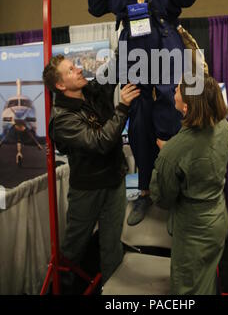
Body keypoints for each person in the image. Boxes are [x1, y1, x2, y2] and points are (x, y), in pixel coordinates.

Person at [87, 0, 199, 225]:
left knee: (168, 114)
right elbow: (97, 7)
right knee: (138, 120)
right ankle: (146, 191)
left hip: (163, 44)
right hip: (134, 50)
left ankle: (174, 192)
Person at [42, 54, 140, 291]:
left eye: (74, 66)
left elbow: (115, 66)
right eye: (70, 70)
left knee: (111, 244)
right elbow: (100, 142)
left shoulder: (92, 90)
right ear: (60, 85)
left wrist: (131, 30)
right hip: (87, 189)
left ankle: (111, 290)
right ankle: (63, 285)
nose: (78, 69)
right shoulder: (62, 119)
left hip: (114, 180)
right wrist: (123, 107)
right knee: (74, 245)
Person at [149, 75, 228, 295]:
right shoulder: (224, 126)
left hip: (194, 232)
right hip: (218, 217)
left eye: (177, 89)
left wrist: (168, 156)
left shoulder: (173, 152)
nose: (173, 90)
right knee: (205, 278)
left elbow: (163, 198)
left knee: (188, 288)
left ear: (185, 105)